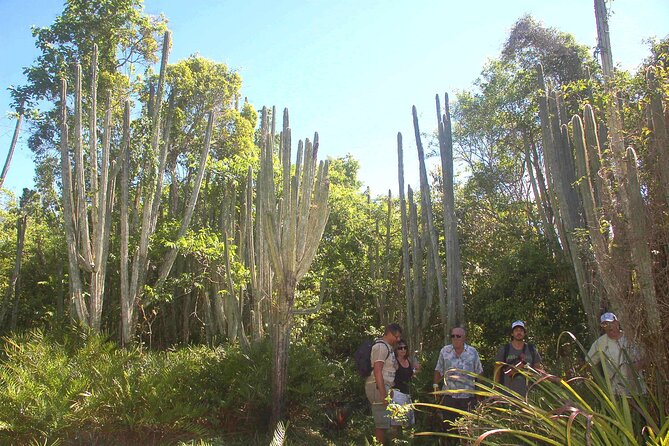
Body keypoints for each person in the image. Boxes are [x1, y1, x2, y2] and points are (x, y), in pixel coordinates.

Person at [433, 326, 483, 445]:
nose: (455, 338)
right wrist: (435, 386)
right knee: (449, 430)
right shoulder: (445, 351)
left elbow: (479, 373)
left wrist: (480, 395)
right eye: (453, 336)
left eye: (458, 336)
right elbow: (438, 370)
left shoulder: (472, 352)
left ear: (464, 338)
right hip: (449, 398)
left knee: (467, 431)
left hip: (468, 399)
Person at [587, 312, 646, 397]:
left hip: (638, 390)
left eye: (611, 323)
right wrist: (599, 383)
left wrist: (639, 365)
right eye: (605, 324)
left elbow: (647, 357)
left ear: (617, 322)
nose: (609, 326)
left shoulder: (631, 337)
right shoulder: (600, 343)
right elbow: (589, 363)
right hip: (617, 393)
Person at [365, 322, 402, 445]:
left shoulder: (389, 347)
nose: (398, 339)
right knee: (381, 424)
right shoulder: (381, 347)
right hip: (378, 386)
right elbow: (377, 371)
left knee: (387, 422)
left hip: (385, 386)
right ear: (389, 333)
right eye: (396, 337)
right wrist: (383, 394)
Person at [494, 320, 543, 396]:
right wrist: (495, 390)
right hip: (507, 394)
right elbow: (497, 371)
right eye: (516, 330)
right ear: (512, 333)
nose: (519, 332)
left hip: (528, 395)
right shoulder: (505, 349)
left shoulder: (531, 349)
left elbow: (538, 370)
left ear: (524, 333)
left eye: (521, 330)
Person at [391, 339, 420, 427]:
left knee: (408, 423)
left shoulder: (408, 361)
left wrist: (417, 369)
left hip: (408, 394)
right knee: (397, 422)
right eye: (400, 348)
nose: (403, 350)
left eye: (405, 348)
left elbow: (411, 376)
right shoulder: (394, 362)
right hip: (397, 394)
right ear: (396, 350)